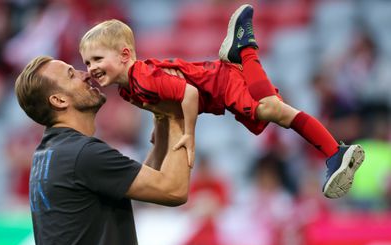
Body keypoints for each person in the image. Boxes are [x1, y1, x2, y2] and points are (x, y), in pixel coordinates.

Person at [78, 4, 365, 199]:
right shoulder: (130, 90)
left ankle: (246, 48)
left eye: (97, 59)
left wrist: (189, 134)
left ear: (125, 55)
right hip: (218, 89)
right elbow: (162, 110)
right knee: (272, 108)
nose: (91, 67)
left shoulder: (141, 77)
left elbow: (187, 94)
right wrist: (155, 157)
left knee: (271, 109)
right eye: (87, 62)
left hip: (219, 84)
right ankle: (243, 50)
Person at [14, 55, 192, 245]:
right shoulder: (81, 154)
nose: (86, 74)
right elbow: (174, 191)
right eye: (71, 75)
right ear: (59, 100)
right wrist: (176, 114)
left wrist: (161, 118)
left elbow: (145, 184)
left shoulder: (50, 153)